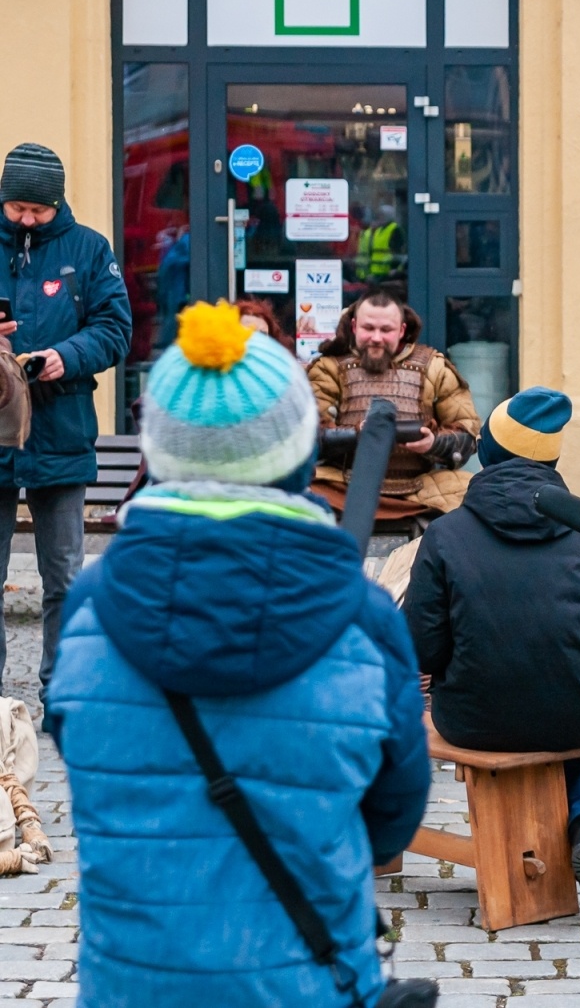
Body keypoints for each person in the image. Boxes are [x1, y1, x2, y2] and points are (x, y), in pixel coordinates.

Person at [49, 300, 430, 1005]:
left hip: (130, 984)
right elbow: (394, 816)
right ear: (299, 450)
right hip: (305, 980)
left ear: (158, 452)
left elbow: (87, 770)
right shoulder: (364, 615)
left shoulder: (90, 605)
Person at [404, 386, 580, 920]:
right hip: (577, 715)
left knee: (559, 715)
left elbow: (420, 646)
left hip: (474, 718)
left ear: (492, 455)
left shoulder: (446, 534)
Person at [0, 143, 133, 696]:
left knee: (65, 575)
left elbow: (115, 329)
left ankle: (63, 691)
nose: (27, 219)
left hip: (61, 427)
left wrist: (66, 356)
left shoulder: (90, 249)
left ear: (58, 202)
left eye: (39, 210)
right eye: (17, 209)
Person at [308, 289, 480, 519]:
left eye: (386, 330)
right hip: (343, 485)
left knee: (476, 499)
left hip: (420, 488)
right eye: (368, 328)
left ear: (401, 330)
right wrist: (357, 434)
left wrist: (433, 443)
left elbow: (467, 436)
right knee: (298, 497)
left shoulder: (435, 368)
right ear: (354, 326)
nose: (376, 338)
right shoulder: (328, 368)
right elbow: (308, 436)